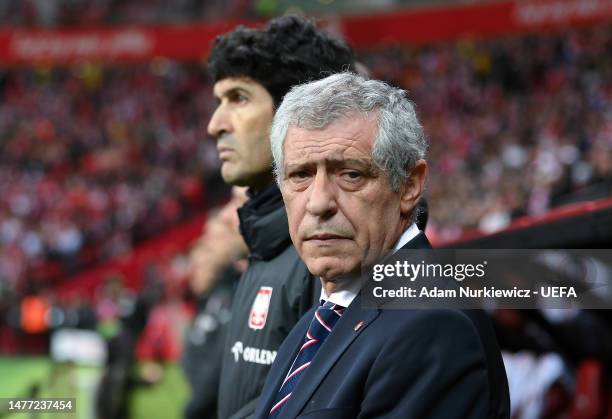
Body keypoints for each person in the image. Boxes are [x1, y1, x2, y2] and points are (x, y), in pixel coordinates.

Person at [254, 72, 510, 418]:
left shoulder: (431, 325)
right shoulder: (316, 322)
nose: (318, 203)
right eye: (300, 175)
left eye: (351, 174)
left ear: (409, 186)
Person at [206, 16, 356, 418]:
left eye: (238, 98)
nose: (214, 125)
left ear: (297, 113)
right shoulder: (265, 245)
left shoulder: (331, 250)